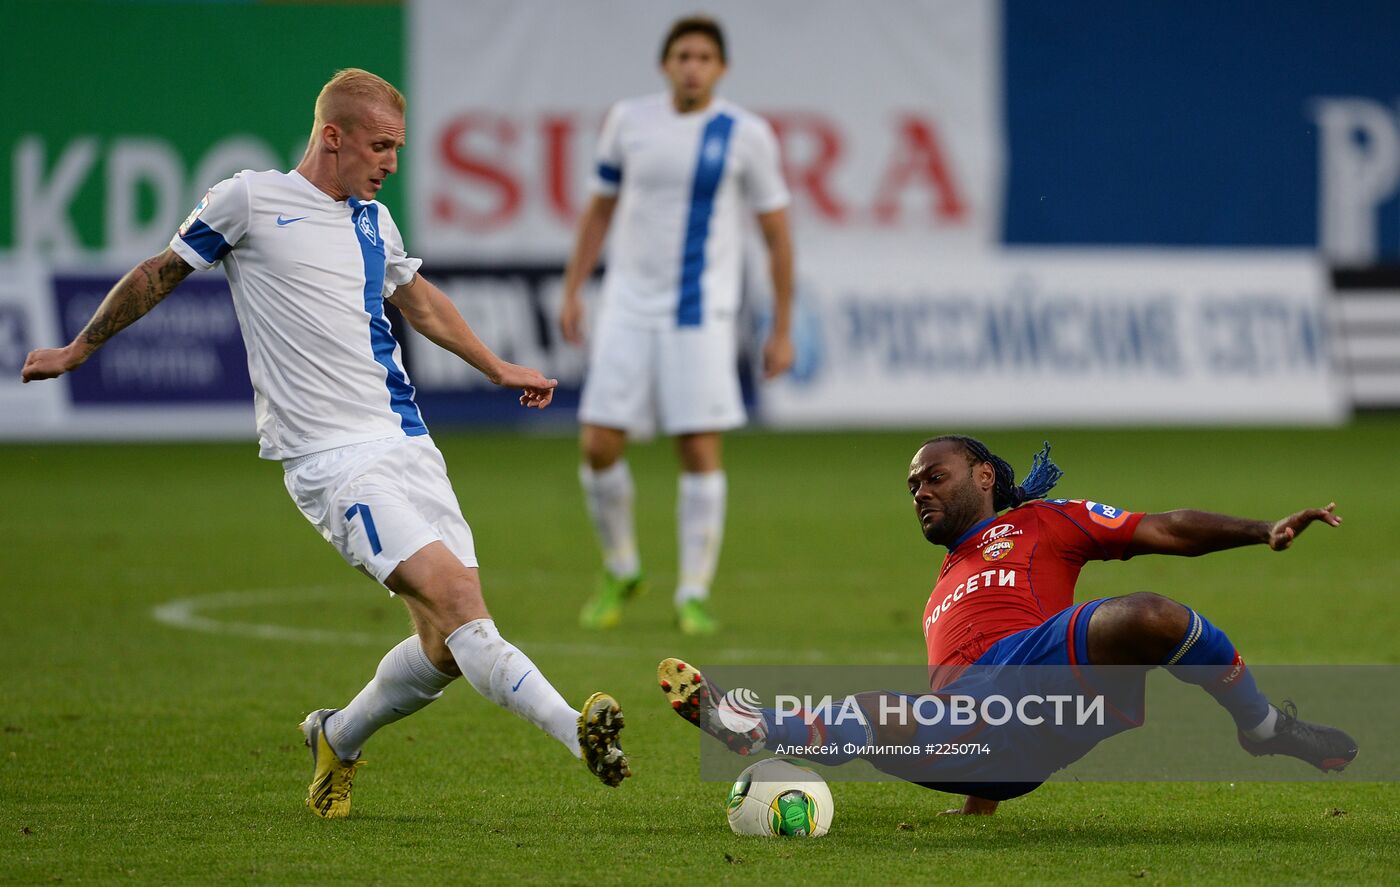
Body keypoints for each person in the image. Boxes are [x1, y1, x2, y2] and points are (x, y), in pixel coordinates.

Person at [21, 68, 630, 818]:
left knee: (444, 648)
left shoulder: (374, 220)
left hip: (408, 443)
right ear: (331, 136)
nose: (392, 163)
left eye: (398, 149)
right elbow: (159, 273)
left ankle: (337, 736)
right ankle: (577, 731)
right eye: (381, 146)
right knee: (462, 602)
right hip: (331, 461)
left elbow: (419, 299)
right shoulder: (248, 198)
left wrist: (497, 365)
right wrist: (77, 350)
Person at [658, 435, 1357, 815]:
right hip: (996, 750)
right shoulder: (941, 592)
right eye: (912, 487)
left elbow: (1163, 527)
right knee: (893, 713)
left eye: (934, 475)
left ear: (986, 475)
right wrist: (981, 795)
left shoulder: (1045, 522)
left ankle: (1261, 725)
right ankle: (750, 727)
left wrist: (1262, 528)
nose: (921, 492)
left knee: (1148, 613)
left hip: (1053, 678)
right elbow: (967, 708)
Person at [560, 15, 795, 636]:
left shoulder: (747, 135)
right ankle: (621, 566)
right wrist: (574, 288)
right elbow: (598, 210)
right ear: (665, 64)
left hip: (701, 313)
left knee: (697, 449)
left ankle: (693, 591)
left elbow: (776, 236)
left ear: (722, 68)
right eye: (683, 55)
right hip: (628, 306)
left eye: (704, 57)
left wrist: (782, 326)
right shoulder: (629, 121)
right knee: (597, 444)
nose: (692, 66)